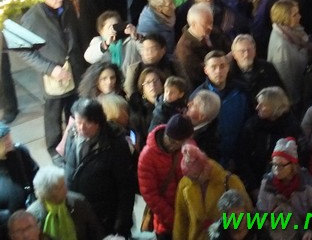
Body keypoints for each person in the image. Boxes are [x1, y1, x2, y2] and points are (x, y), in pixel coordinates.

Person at [19, 0, 86, 158]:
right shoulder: (32, 17)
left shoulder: (68, 6)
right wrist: (50, 69)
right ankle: (54, 149)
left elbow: (76, 33)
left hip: (74, 68)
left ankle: (74, 141)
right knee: (53, 114)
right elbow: (24, 50)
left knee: (74, 108)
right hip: (53, 75)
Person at [63, 98, 135, 237]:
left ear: (98, 122)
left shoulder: (115, 144)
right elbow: (68, 163)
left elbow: (125, 187)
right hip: (77, 212)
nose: (81, 127)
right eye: (78, 122)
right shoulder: (72, 134)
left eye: (88, 123)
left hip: (104, 217)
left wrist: (121, 224)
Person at [173, 144, 252, 240]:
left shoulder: (230, 181)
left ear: (205, 168)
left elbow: (248, 212)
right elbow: (181, 220)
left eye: (196, 177)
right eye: (190, 178)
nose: (193, 181)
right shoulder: (185, 184)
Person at [138, 114, 195, 240]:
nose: (172, 146)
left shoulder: (189, 148)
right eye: (171, 141)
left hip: (190, 217)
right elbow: (150, 194)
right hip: (166, 223)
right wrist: (174, 220)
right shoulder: (147, 156)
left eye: (179, 144)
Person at [238, 87, 302, 193]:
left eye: (262, 105)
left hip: (284, 186)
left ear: (275, 107)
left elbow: (297, 160)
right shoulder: (252, 125)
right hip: (254, 183)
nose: (257, 107)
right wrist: (253, 186)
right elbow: (241, 155)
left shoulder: (291, 128)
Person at [255, 137, 312, 240]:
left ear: (293, 165)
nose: (276, 170)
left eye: (281, 165)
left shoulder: (308, 185)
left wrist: (308, 229)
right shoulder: (267, 183)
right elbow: (261, 210)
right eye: (274, 165)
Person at [27, 166, 103, 240]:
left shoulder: (78, 202)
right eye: (60, 188)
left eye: (64, 184)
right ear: (47, 193)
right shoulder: (32, 216)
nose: (66, 189)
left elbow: (95, 232)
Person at [0, 124, 38, 230]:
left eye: (8, 136)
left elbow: (35, 172)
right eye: (3, 140)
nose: (8, 141)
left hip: (30, 212)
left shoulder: (19, 152)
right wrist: (6, 217)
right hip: (7, 225)